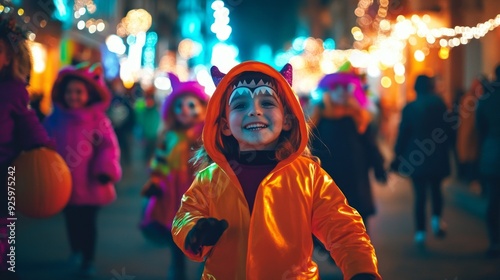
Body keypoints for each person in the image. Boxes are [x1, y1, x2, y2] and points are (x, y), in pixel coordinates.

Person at [171, 61, 381, 279]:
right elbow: (185, 215)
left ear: (288, 120)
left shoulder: (308, 176)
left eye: (268, 103)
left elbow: (343, 229)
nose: (254, 111)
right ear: (224, 125)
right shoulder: (210, 178)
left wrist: (361, 269)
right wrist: (194, 232)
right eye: (241, 105)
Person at [43, 63, 122, 277]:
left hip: (91, 182)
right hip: (63, 182)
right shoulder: (55, 119)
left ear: (88, 94)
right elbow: (45, 144)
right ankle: (75, 250)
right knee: (70, 220)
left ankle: (88, 257)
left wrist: (105, 168)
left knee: (87, 223)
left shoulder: (98, 121)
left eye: (79, 92)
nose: (74, 96)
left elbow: (108, 146)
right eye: (69, 92)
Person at [139, 73, 209, 279]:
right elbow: (159, 161)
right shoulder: (169, 135)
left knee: (203, 232)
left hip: (201, 189)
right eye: (180, 106)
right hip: (173, 191)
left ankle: (206, 268)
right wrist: (155, 179)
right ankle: (177, 269)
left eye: (191, 105)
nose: (185, 110)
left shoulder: (207, 136)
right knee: (176, 228)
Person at [0, 15, 53, 280]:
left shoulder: (13, 91)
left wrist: (44, 145)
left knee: (3, 225)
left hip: (3, 171)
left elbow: (28, 125)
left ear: (9, 57)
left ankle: (4, 266)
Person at [310, 72, 387, 233]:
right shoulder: (318, 118)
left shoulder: (357, 116)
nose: (342, 91)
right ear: (328, 92)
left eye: (346, 88)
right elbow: (310, 149)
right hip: (329, 180)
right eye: (337, 88)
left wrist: (379, 168)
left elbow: (370, 146)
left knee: (358, 226)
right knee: (331, 225)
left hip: (356, 180)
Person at [390, 74, 452, 247]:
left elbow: (403, 134)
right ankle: (436, 219)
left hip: (416, 156)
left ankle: (420, 232)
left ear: (415, 88)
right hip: (437, 154)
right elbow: (448, 130)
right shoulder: (440, 105)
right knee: (436, 189)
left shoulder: (410, 108)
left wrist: (397, 155)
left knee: (420, 195)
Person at [476, 64, 500, 258]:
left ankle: (494, 241)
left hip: (492, 153)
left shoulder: (487, 99)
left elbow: (480, 128)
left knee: (493, 199)